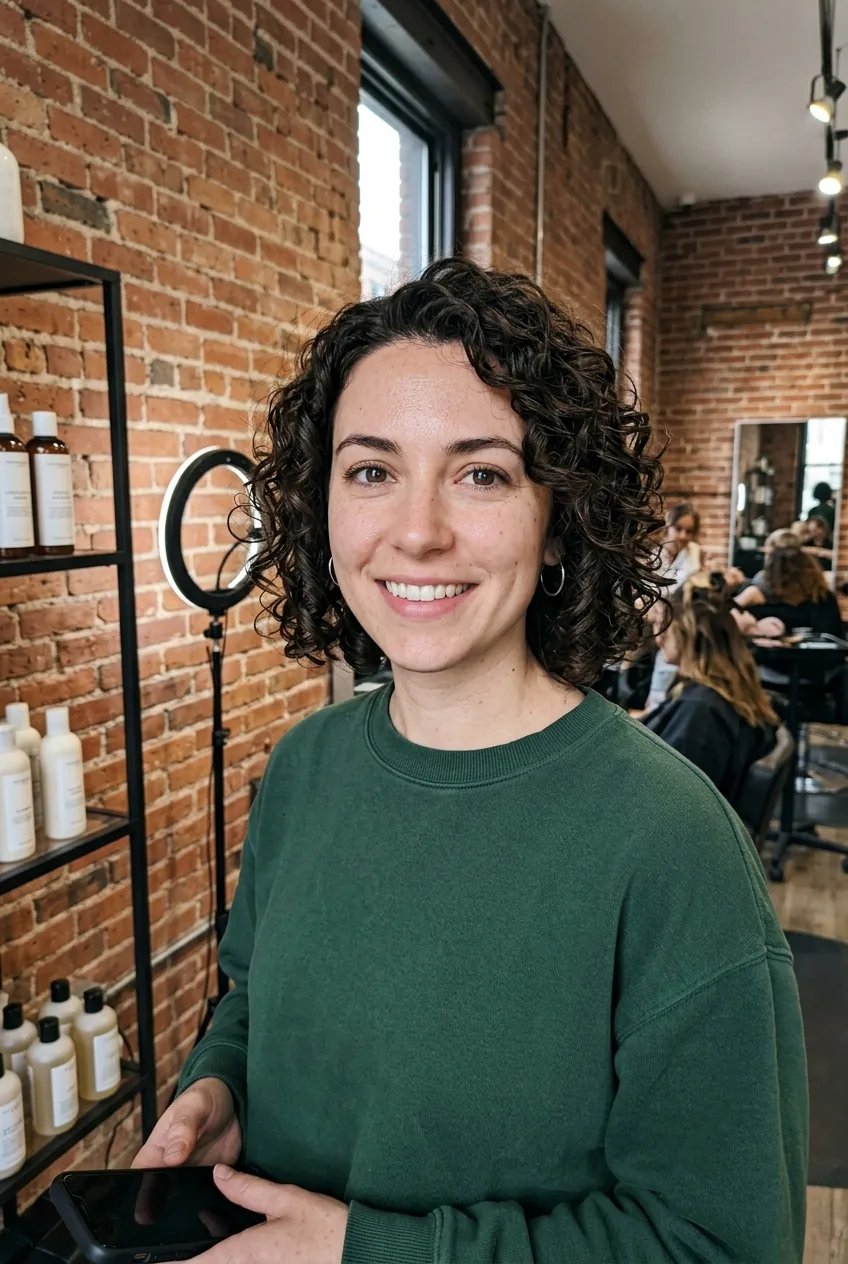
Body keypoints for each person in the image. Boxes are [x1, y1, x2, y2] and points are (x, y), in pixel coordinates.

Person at [134, 259, 807, 1264]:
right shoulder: (305, 768)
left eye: (480, 472)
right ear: (322, 507)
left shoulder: (668, 842)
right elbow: (250, 997)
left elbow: (719, 1243)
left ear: (557, 520)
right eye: (371, 470)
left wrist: (360, 1250)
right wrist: (216, 1090)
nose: (416, 531)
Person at [645, 576, 778, 808]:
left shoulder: (701, 710)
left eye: (662, 625)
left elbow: (670, 799)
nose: (658, 637)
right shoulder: (721, 693)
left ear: (686, 632)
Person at [644, 501, 702, 709]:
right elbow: (651, 589)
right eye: (679, 529)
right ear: (669, 526)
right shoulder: (654, 554)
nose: (684, 536)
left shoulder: (693, 553)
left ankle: (657, 702)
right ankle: (655, 700)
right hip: (659, 612)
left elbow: (690, 582)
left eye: (689, 531)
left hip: (680, 613)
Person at [736, 544, 842, 636]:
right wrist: (744, 600)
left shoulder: (822, 598)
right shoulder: (758, 596)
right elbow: (726, 623)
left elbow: (832, 639)